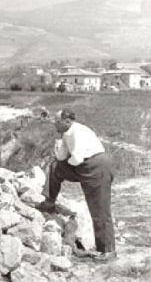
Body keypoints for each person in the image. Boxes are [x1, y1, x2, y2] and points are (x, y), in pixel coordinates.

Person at [37, 108, 116, 263]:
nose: (54, 124)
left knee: (99, 210)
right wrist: (59, 147)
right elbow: (61, 157)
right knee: (55, 167)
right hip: (83, 165)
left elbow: (77, 158)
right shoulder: (67, 134)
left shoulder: (78, 132)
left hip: (96, 167)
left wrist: (69, 164)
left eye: (57, 121)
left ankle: (108, 252)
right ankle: (49, 202)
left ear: (67, 121)